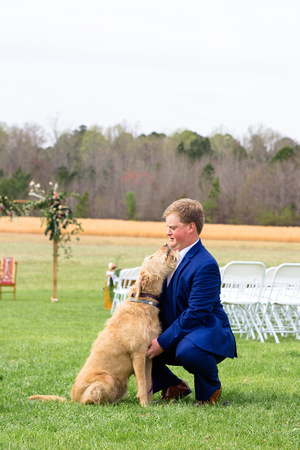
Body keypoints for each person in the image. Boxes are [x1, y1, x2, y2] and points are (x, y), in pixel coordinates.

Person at [146, 198, 237, 405]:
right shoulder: (165, 256)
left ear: (190, 227)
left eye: (173, 227)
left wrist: (161, 342)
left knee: (189, 351)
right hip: (176, 329)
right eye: (167, 227)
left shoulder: (205, 264)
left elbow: (196, 314)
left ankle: (210, 390)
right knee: (136, 344)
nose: (168, 232)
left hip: (206, 331)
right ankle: (172, 385)